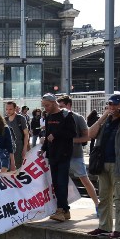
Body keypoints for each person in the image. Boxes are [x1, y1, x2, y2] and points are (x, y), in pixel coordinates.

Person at [86, 93, 120, 239]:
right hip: (102, 164)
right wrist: (102, 118)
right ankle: (104, 227)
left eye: (116, 104)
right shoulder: (105, 121)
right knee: (104, 197)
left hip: (119, 165)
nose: (112, 107)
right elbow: (90, 134)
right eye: (110, 104)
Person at [57, 96, 99, 211]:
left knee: (84, 180)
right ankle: (61, 207)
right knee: (59, 182)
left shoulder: (78, 118)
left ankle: (97, 204)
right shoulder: (55, 117)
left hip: (75, 155)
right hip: (60, 156)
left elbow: (87, 137)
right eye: (58, 106)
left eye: (62, 106)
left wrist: (71, 140)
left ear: (69, 105)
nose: (60, 109)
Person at [39, 93, 77, 222]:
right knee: (55, 183)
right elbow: (48, 134)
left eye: (47, 105)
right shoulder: (49, 116)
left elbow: (72, 133)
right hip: (52, 154)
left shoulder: (66, 115)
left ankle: (60, 209)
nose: (46, 108)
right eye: (44, 106)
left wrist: (56, 134)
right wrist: (43, 149)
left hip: (64, 153)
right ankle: (65, 210)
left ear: (54, 103)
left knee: (61, 182)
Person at [5, 101, 30, 167]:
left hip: (19, 147)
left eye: (10, 109)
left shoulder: (20, 118)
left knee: (18, 167)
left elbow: (26, 134)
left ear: (15, 108)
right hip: (8, 148)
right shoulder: (5, 119)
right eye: (7, 109)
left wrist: (25, 148)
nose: (8, 111)